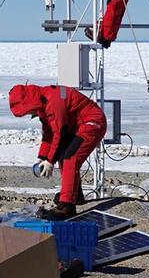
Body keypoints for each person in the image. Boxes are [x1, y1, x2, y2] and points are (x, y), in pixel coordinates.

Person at [8, 83, 107, 220]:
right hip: (77, 126)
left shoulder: (52, 102)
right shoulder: (43, 103)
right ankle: (74, 195)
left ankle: (67, 206)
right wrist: (43, 157)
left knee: (70, 158)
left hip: (92, 122)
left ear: (28, 104)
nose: (29, 114)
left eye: (27, 112)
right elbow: (49, 133)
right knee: (64, 155)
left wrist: (50, 161)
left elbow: (59, 133)